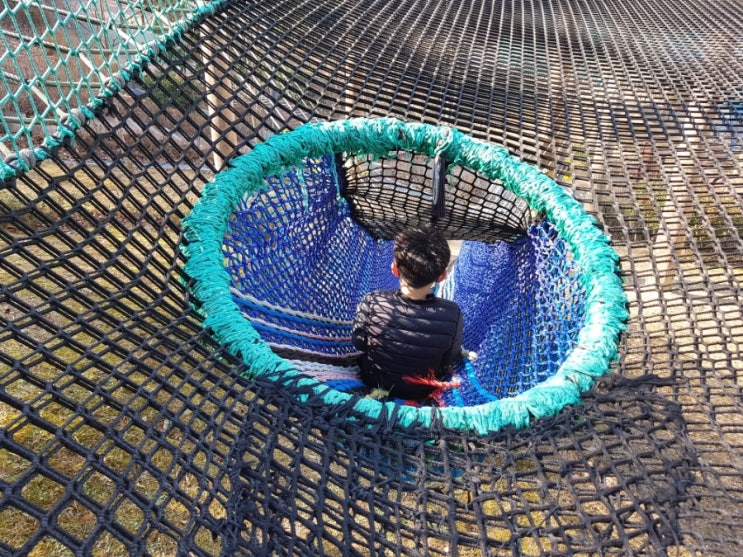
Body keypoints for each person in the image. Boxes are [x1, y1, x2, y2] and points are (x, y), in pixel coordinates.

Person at [352, 226, 464, 400]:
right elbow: (451, 356)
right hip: (422, 390)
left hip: (374, 382)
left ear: (394, 269)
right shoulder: (452, 313)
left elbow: (359, 343)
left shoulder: (372, 301)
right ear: (442, 276)